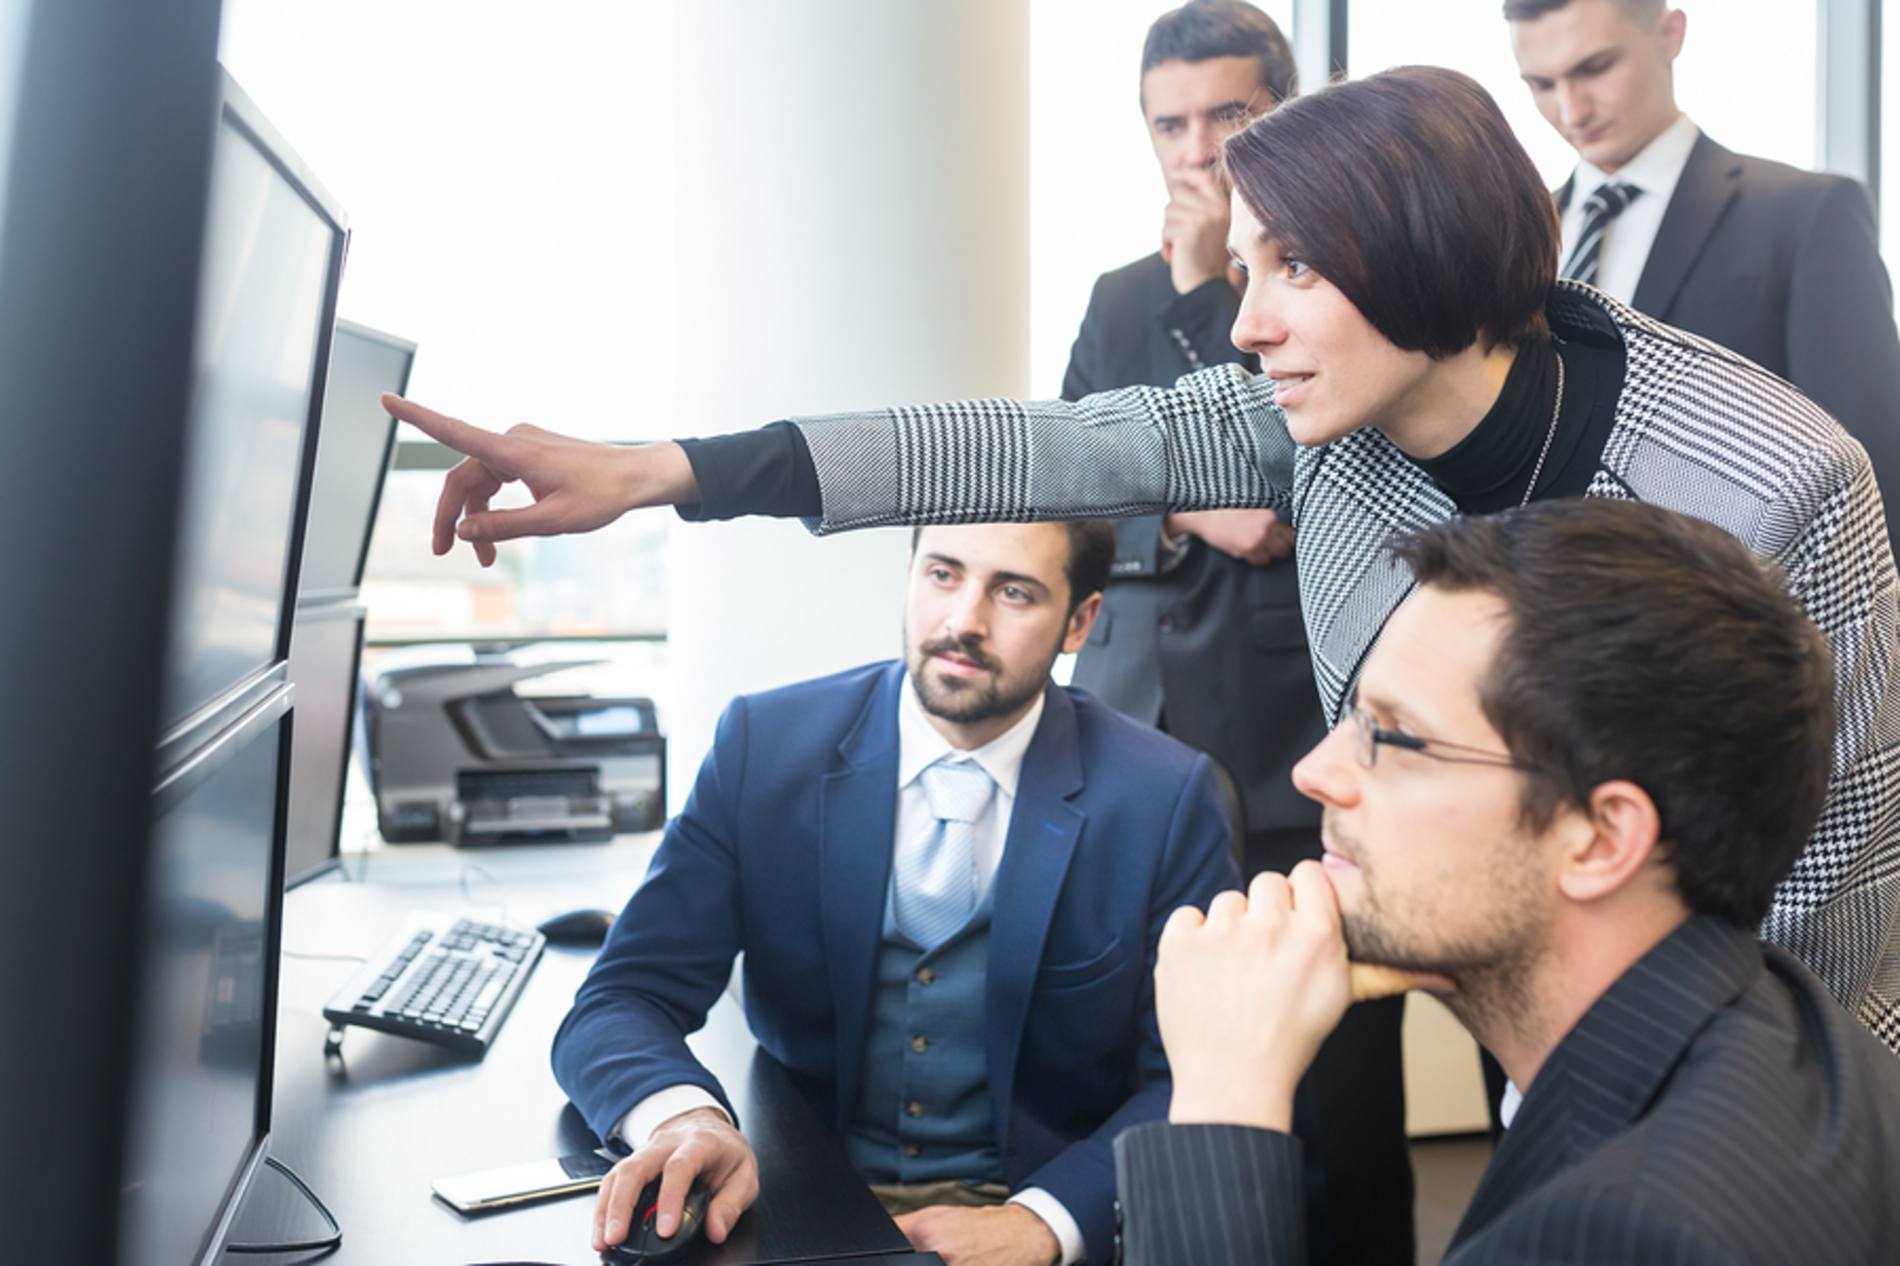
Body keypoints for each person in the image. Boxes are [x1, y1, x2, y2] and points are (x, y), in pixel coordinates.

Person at [382, 67, 1900, 1048]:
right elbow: (1030, 446)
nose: (1244, 323)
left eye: (1292, 267)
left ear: (1424, 242)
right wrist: (671, 471)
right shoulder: (1316, 418)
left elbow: (1837, 909)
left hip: (1754, 1068)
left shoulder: (1778, 492)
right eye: (1246, 267)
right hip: (1526, 1015)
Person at [1113, 498, 1900, 1265]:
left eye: (1393, 736)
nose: (1313, 773)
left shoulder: (1630, 1231)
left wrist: (1223, 1095)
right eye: (1350, 719)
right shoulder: (1774, 1011)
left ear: (1599, 841)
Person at [553, 519, 1240, 1266]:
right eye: (943, 574)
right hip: (792, 1201)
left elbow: (1202, 1075)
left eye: (1013, 592)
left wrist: (1046, 1221)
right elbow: (622, 999)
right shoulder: (765, 745)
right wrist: (687, 1119)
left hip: (1035, 1207)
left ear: (1081, 621)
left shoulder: (1164, 798)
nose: (962, 622)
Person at [1062, 4, 1409, 1262]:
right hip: (1132, 727)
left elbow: (1280, 481)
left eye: (1229, 117)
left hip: (1281, 745)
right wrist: (1187, 514)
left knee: (1334, 1089)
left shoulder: (1338, 285)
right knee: (1158, 1062)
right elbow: (1075, 489)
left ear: (1285, 111)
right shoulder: (1115, 299)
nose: (1196, 150)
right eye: (1171, 123)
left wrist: (1212, 285)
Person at [1506, 0, 1900, 552]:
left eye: (1594, 68)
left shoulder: (1805, 214)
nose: (1572, 110)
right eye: (1541, 84)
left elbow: (1870, 464)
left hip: (1739, 609)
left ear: (1670, 34)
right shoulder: (1514, 240)